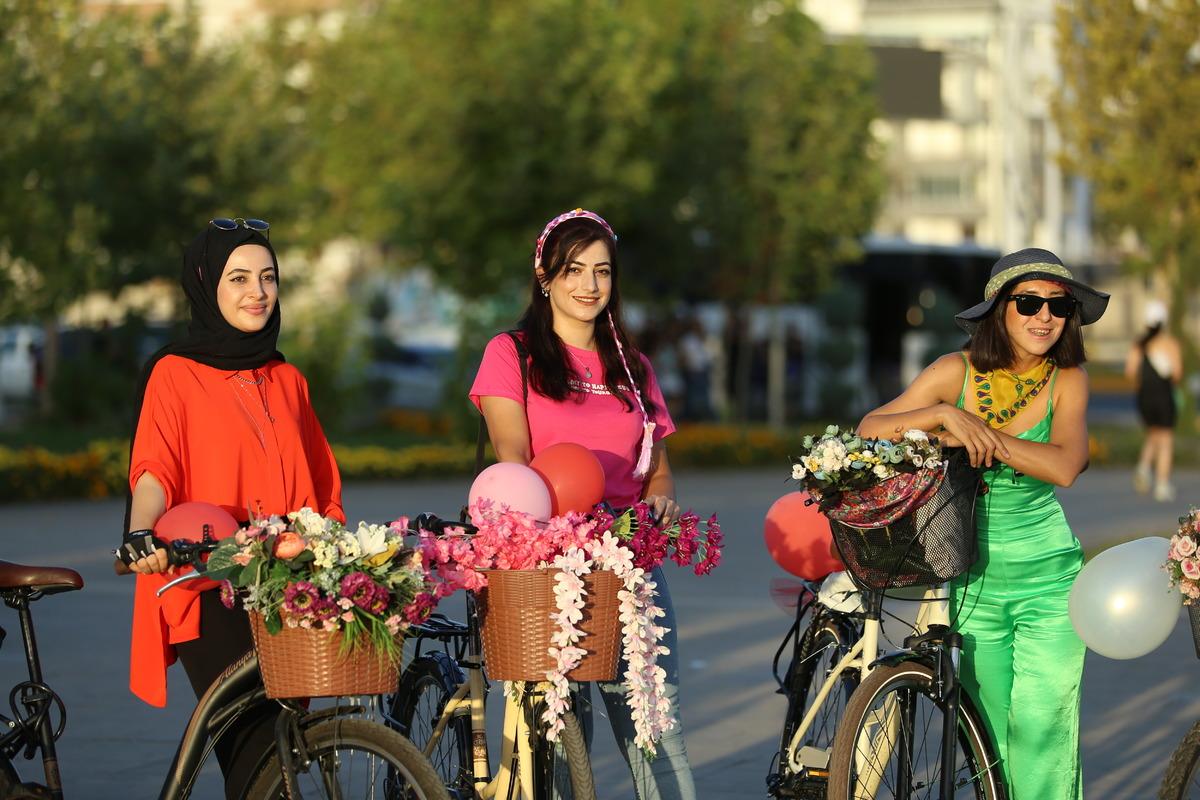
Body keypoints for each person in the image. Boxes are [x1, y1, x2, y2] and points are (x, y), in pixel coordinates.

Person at [856, 248, 1109, 799]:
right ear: (999, 309)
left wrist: (979, 439)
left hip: (1051, 583)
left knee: (1042, 733)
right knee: (987, 740)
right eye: (1029, 303)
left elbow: (1064, 464)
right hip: (972, 582)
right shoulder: (956, 371)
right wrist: (945, 415)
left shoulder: (1068, 379)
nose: (1045, 316)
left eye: (1059, 306)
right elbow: (871, 428)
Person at [469, 209, 695, 800]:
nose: (589, 285)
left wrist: (663, 506)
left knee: (656, 733)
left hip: (632, 568)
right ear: (545, 275)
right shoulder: (511, 354)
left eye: (602, 271)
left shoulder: (633, 368)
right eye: (573, 269)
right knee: (567, 744)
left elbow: (659, 471)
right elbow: (513, 458)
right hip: (552, 567)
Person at [118, 218, 343, 800]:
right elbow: (154, 471)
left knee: (288, 746)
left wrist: (334, 551)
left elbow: (323, 486)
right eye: (238, 278)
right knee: (253, 747)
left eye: (268, 278)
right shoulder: (174, 373)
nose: (257, 292)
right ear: (206, 286)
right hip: (205, 575)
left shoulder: (288, 377)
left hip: (286, 576)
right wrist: (142, 531)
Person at [1125, 299, 1182, 501]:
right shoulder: (1169, 343)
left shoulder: (1138, 344)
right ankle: (1162, 484)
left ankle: (1143, 468)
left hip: (1144, 397)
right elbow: (1177, 373)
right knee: (1166, 439)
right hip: (1164, 395)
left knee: (1153, 433)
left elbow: (1130, 372)